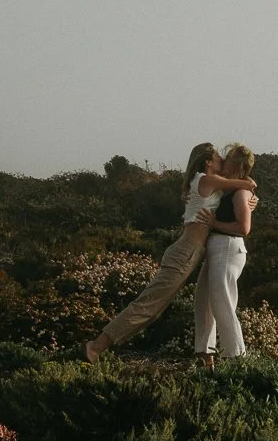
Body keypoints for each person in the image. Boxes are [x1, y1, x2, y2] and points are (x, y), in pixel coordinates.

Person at [86, 143, 257, 362]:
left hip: (191, 252)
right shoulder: (207, 180)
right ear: (207, 162)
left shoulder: (209, 183)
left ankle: (205, 357)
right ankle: (97, 346)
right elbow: (246, 183)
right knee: (149, 304)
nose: (221, 159)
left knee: (166, 306)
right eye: (217, 157)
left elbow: (238, 194)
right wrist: (250, 190)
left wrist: (250, 201)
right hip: (185, 252)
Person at [195, 142, 256, 366]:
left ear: (236, 164)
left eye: (227, 158)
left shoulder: (240, 193)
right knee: (205, 300)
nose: (222, 160)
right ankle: (205, 353)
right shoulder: (228, 187)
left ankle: (236, 356)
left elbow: (243, 228)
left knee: (223, 301)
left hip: (229, 248)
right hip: (217, 249)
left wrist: (215, 222)